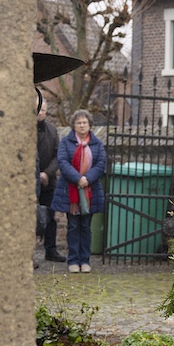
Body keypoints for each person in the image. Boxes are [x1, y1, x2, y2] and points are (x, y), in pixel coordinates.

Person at [51, 109, 106, 273]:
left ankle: (85, 260)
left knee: (86, 227)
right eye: (79, 123)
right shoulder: (65, 143)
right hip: (71, 191)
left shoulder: (97, 143)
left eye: (84, 123)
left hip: (91, 190)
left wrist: (87, 178)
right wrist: (78, 179)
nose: (82, 126)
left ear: (89, 125)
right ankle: (73, 260)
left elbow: (101, 164)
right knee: (73, 226)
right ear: (73, 126)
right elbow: (62, 162)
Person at [37, 99, 65, 262]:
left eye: (44, 110)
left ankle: (51, 250)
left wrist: (47, 173)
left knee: (50, 216)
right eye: (38, 110)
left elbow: (57, 156)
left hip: (48, 181)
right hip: (29, 181)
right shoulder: (26, 130)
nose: (41, 113)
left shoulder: (52, 131)